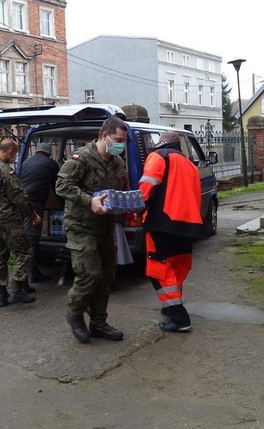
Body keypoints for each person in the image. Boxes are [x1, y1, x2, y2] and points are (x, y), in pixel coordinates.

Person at [55, 115, 130, 344]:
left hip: (105, 225)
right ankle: (75, 313)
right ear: (105, 136)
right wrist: (89, 201)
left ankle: (98, 322)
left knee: (107, 275)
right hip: (81, 226)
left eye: (124, 140)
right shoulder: (82, 158)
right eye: (118, 139)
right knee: (90, 274)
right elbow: (61, 185)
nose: (121, 144)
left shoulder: (117, 162)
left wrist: (129, 202)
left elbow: (121, 188)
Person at [138, 130, 204, 332]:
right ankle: (171, 307)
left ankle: (179, 317)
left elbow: (145, 191)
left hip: (162, 223)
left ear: (162, 142)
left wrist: (135, 209)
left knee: (159, 270)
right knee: (177, 267)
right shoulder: (190, 165)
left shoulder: (158, 156)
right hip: (188, 225)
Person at [0, 138, 41, 308]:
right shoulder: (5, 170)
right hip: (7, 219)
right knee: (25, 252)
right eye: (13, 155)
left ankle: (1, 295)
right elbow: (18, 197)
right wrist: (33, 215)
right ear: (10, 152)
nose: (13, 158)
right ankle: (17, 287)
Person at [18, 142, 60, 285]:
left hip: (21, 202)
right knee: (33, 238)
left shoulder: (26, 162)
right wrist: (63, 203)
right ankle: (32, 273)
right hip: (34, 204)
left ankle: (30, 271)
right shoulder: (51, 164)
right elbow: (57, 187)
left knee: (27, 236)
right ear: (49, 153)